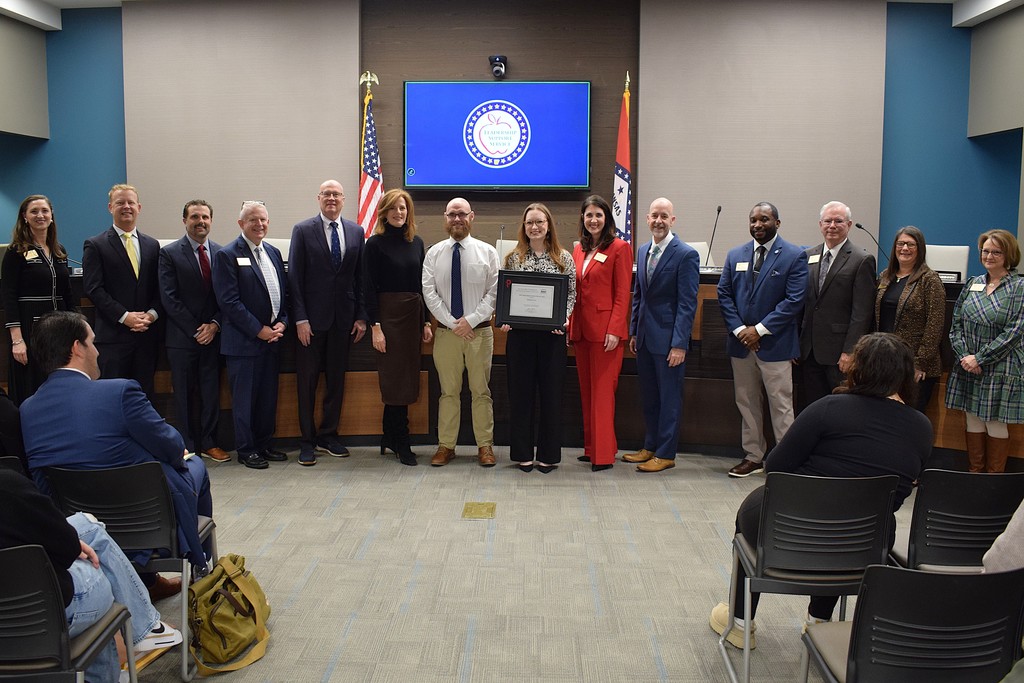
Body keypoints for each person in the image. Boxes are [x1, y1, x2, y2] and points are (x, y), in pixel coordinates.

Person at [709, 333, 932, 648]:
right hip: (868, 540)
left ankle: (740, 623)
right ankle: (818, 623)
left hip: (789, 529)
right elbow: (901, 492)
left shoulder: (828, 408)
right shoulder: (921, 427)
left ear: (858, 369)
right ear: (904, 376)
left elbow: (775, 467)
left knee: (756, 513)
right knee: (848, 523)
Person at [20, 310, 213, 598]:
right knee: (195, 465)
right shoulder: (120, 392)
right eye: (93, 343)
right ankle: (203, 569)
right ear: (77, 348)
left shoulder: (28, 410)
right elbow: (171, 446)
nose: (97, 352)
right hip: (148, 522)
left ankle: (148, 580)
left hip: (77, 527)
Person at [0, 469, 183, 683]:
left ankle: (138, 637)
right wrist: (70, 547)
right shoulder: (8, 485)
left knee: (85, 525)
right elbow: (64, 547)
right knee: (97, 566)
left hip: (14, 612)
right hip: (41, 616)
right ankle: (140, 632)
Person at [717, 202, 808, 478]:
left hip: (776, 345)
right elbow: (724, 294)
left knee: (781, 405)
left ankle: (785, 461)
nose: (758, 224)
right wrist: (740, 331)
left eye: (764, 219)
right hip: (741, 346)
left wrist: (758, 330)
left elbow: (794, 301)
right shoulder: (736, 254)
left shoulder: (794, 255)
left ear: (777, 223)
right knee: (746, 402)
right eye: (753, 220)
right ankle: (754, 456)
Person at [288, 180, 367, 466]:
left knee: (336, 381)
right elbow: (294, 278)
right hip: (310, 321)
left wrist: (361, 316)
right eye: (326, 194)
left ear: (344, 199)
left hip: (343, 321)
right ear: (318, 198)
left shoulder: (356, 231)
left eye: (336, 194)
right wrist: (300, 318)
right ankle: (307, 442)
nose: (331, 198)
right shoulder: (302, 230)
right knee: (307, 383)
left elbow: (360, 279)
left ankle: (328, 435)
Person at [623, 198, 699, 473]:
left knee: (669, 399)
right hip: (644, 339)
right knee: (650, 397)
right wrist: (634, 331)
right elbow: (639, 297)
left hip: (669, 342)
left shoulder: (686, 254)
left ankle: (666, 453)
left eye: (664, 216)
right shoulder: (643, 250)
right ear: (647, 219)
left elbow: (688, 303)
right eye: (654, 215)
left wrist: (679, 344)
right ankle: (650, 445)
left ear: (673, 220)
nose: (658, 221)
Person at [421, 198, 499, 467]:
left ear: (472, 217)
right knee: (448, 392)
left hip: (479, 334)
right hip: (446, 334)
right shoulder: (433, 253)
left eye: (462, 214)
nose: (457, 219)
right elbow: (429, 293)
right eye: (452, 214)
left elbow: (494, 292)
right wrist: (454, 323)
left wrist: (472, 320)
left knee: (481, 391)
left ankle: (485, 447)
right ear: (445, 218)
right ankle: (446, 446)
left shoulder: (487, 252)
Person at [498, 203, 576, 474]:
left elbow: (570, 295)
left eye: (540, 222)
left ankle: (548, 454)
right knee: (520, 395)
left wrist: (561, 319)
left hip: (552, 338)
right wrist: (505, 318)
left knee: (551, 396)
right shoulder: (512, 257)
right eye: (530, 222)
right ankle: (522, 453)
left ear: (548, 225)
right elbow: (504, 296)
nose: (535, 227)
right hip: (519, 339)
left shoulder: (563, 258)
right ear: (524, 226)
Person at [213, 201, 289, 470]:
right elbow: (229, 302)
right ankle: (247, 450)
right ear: (241, 224)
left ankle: (265, 444)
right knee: (244, 401)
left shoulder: (273, 252)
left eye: (264, 220)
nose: (260, 225)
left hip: (273, 340)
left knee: (267, 400)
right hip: (244, 343)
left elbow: (284, 294)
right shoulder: (227, 254)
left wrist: (282, 323)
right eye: (253, 220)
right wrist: (259, 330)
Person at [945, 229, 1024, 473]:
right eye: (985, 251)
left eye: (996, 251)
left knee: (994, 423)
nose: (989, 256)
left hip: (1000, 366)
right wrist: (964, 357)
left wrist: (979, 358)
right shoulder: (973, 283)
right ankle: (975, 475)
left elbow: (1014, 332)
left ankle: (993, 482)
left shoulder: (1019, 287)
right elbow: (955, 324)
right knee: (973, 419)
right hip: (969, 365)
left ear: (1008, 254)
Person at [363, 189, 432, 466]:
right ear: (383, 212)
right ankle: (400, 439)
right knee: (393, 378)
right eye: (393, 208)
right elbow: (367, 287)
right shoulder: (374, 244)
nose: (399, 213)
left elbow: (421, 285)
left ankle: (389, 435)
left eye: (403, 208)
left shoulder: (416, 242)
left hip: (412, 317)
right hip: (387, 319)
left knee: (407, 377)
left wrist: (426, 320)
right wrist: (375, 326)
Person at [158, 200, 229, 462]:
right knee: (184, 395)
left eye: (206, 217)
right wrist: (195, 329)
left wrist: (214, 325)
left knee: (211, 393)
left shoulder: (222, 253)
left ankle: (210, 443)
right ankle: (186, 445)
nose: (201, 221)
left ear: (211, 220)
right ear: (184, 221)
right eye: (195, 217)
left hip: (214, 336)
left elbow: (228, 297)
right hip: (181, 338)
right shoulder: (169, 253)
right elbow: (169, 297)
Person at [569, 195, 633, 472]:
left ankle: (604, 455)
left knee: (604, 394)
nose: (593, 220)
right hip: (582, 331)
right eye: (588, 215)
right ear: (582, 220)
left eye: (598, 215)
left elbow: (622, 293)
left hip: (606, 333)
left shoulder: (620, 247)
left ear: (607, 218)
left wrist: (615, 330)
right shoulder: (578, 250)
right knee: (587, 392)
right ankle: (592, 447)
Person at [82, 184, 162, 397]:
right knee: (112, 398)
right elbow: (93, 288)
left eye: (130, 203)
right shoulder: (95, 244)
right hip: (113, 339)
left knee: (144, 398)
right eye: (120, 203)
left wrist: (151, 315)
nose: (126, 207)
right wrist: (124, 316)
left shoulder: (152, 245)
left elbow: (159, 288)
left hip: (146, 338)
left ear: (139, 207)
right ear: (110, 207)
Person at [798, 201, 876, 410]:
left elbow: (862, 312)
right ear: (820, 224)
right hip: (809, 351)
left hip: (839, 353)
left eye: (838, 221)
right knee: (813, 408)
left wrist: (850, 351)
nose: (832, 225)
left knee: (841, 408)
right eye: (828, 221)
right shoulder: (807, 256)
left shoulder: (862, 259)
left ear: (849, 225)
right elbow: (802, 305)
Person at [2, 194, 76, 404]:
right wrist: (17, 340)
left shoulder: (59, 251)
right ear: (24, 217)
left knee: (58, 381)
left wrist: (78, 328)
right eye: (34, 211)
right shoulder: (16, 251)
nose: (40, 215)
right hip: (30, 329)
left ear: (52, 216)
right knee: (33, 387)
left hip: (58, 329)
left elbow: (68, 294)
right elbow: (8, 296)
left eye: (44, 211)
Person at [874, 226, 945, 413]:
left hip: (914, 365)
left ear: (920, 248)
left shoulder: (929, 280)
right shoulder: (885, 276)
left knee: (908, 418)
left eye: (910, 244)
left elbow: (935, 324)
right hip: (886, 361)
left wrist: (919, 362)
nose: (904, 248)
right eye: (901, 243)